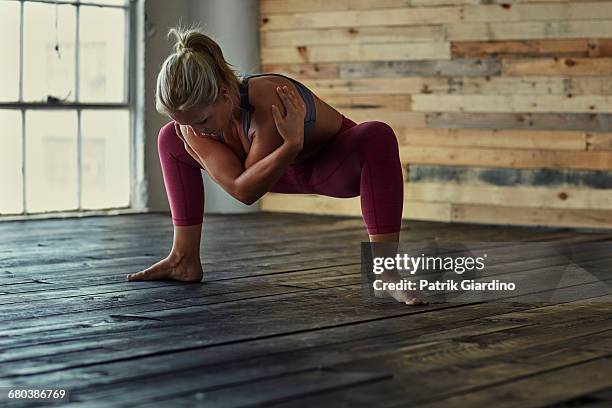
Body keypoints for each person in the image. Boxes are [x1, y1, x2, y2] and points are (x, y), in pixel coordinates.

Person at [126, 26, 426, 305]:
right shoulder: (191, 126)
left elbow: (247, 192)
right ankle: (183, 258)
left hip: (329, 169)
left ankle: (386, 272)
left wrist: (293, 146)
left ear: (224, 93)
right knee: (170, 139)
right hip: (274, 169)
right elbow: (239, 184)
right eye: (185, 122)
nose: (196, 131)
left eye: (202, 120)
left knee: (377, 134)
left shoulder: (269, 99)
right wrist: (288, 146)